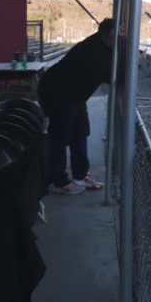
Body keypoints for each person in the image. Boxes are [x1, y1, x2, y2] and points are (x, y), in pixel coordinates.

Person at [38, 18, 115, 194]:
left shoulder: (103, 47)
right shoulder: (95, 51)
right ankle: (59, 182)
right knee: (59, 137)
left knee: (80, 133)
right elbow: (111, 76)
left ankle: (81, 175)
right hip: (57, 94)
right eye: (117, 35)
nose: (121, 39)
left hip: (74, 96)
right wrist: (136, 62)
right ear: (105, 36)